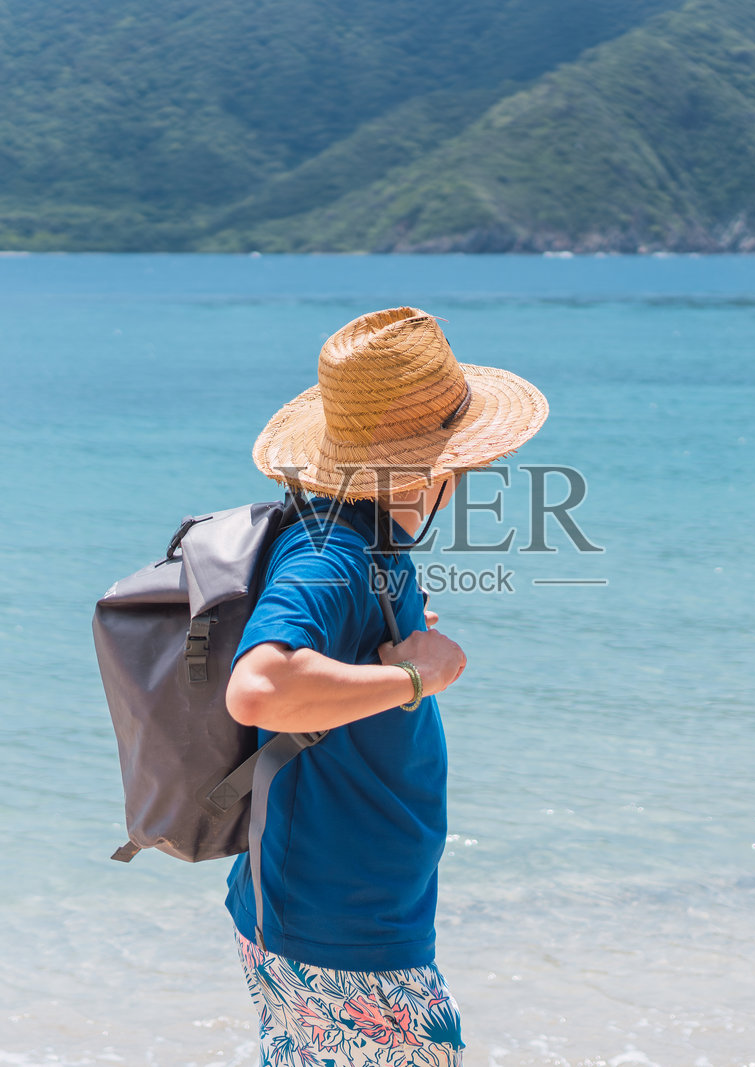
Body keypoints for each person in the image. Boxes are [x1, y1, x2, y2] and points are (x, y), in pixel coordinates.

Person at [224, 307, 547, 1066]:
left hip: (325, 908)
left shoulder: (367, 541)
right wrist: (415, 675)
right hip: (340, 926)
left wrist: (383, 649)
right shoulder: (333, 549)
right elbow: (259, 688)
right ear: (435, 464)